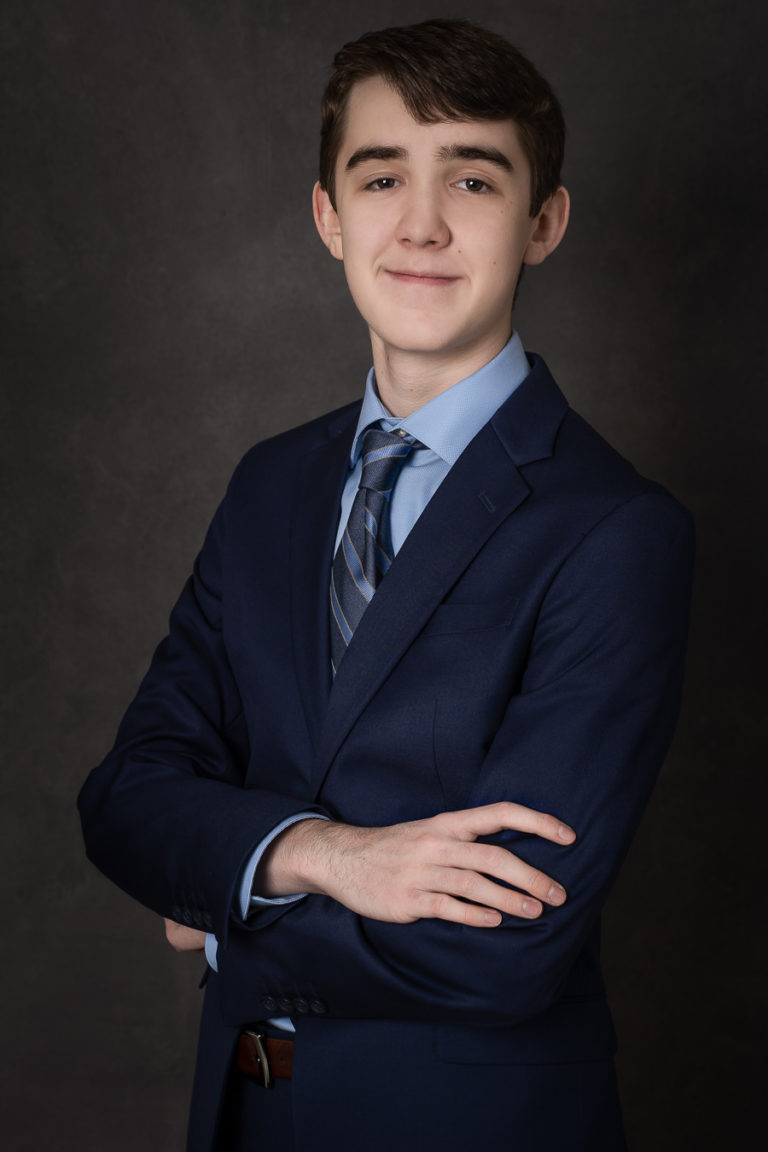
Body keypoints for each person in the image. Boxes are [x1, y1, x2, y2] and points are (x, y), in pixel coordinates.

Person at [78, 18, 694, 1152]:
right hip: (242, 1116)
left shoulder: (616, 531)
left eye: (472, 176)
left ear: (543, 222)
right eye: (379, 175)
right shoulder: (270, 484)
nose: (420, 224)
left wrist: (222, 899)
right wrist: (322, 856)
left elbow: (500, 943)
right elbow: (123, 799)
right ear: (328, 216)